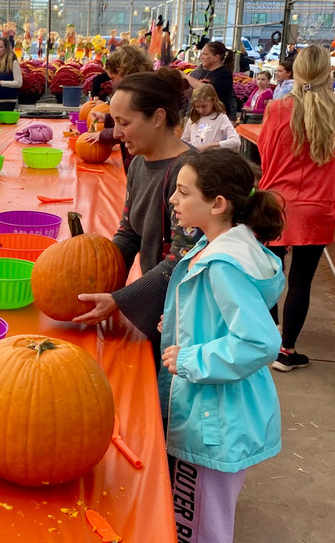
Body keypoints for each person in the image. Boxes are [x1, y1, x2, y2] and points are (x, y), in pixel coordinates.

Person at [160, 148, 285, 543]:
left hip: (212, 420)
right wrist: (183, 324)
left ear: (217, 204)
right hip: (223, 412)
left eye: (183, 192)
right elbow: (221, 317)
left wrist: (192, 357)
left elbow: (258, 341)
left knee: (199, 528)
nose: (173, 201)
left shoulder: (223, 264)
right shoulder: (233, 246)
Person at [74, 69, 204, 361]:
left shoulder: (191, 173)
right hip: (161, 300)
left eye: (124, 122)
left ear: (157, 118)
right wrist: (88, 274)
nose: (116, 133)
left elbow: (184, 257)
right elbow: (129, 232)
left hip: (189, 315)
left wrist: (120, 299)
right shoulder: (137, 164)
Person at [257, 45, 335, 371]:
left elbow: (264, 155)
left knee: (269, 272)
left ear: (296, 72)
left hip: (276, 203)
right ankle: (287, 350)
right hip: (316, 206)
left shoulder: (277, 109)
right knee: (301, 281)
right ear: (329, 73)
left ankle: (267, 338)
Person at [83, 44, 155, 172]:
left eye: (113, 78)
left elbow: (129, 126)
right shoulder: (140, 88)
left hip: (141, 158)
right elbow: (127, 119)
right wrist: (106, 118)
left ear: (121, 70)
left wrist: (102, 135)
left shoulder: (140, 93)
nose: (113, 83)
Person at [180, 84, 241, 151]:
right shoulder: (193, 118)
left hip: (211, 157)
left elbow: (236, 141)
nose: (200, 110)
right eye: (197, 106)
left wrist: (210, 145)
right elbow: (184, 140)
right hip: (195, 157)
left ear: (213, 101)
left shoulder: (220, 117)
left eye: (204, 106)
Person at [185, 41, 236, 119]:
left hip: (215, 119)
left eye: (205, 54)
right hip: (196, 117)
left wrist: (186, 77)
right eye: (201, 54)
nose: (201, 57)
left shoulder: (224, 75)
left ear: (216, 57)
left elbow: (207, 90)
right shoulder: (197, 73)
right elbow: (191, 94)